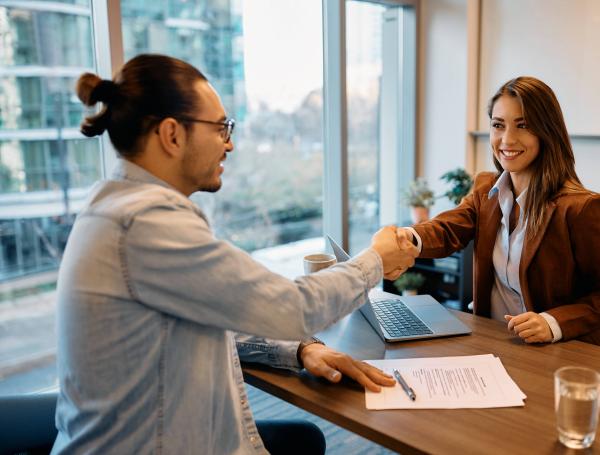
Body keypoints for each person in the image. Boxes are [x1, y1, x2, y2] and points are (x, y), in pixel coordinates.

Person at [51, 54, 419, 454]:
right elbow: (293, 306)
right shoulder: (146, 222)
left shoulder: (115, 206)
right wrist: (376, 260)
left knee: (304, 440)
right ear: (172, 135)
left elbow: (217, 309)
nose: (230, 143)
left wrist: (301, 348)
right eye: (221, 127)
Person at [400, 76, 600, 345]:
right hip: (492, 344)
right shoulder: (486, 189)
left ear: (547, 131)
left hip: (551, 354)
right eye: (498, 125)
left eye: (523, 125)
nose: (507, 139)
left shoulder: (581, 208)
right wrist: (405, 239)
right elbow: (448, 229)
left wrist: (552, 323)